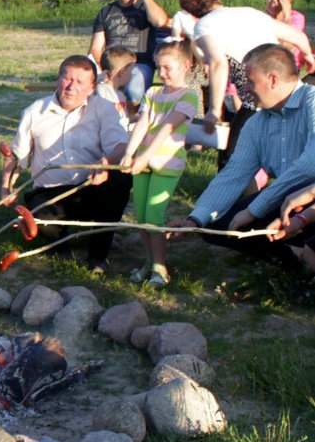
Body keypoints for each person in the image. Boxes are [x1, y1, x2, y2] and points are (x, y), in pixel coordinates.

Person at [170, 44, 315, 268]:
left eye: (249, 81)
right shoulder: (256, 122)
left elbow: (310, 164)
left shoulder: (312, 102)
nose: (243, 89)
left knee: (250, 219)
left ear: (273, 79)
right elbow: (234, 173)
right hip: (286, 199)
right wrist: (196, 219)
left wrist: (255, 209)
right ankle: (293, 258)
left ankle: (302, 257)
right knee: (215, 229)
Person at [1, 55, 130, 272]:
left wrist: (105, 164)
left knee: (120, 178)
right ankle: (60, 243)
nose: (71, 87)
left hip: (90, 186)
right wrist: (6, 187)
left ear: (91, 88)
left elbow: (120, 146)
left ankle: (98, 256)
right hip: (50, 193)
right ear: (58, 79)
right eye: (67, 79)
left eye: (80, 82)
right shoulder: (35, 112)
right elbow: (16, 156)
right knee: (42, 219)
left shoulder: (104, 108)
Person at [180, 0, 313, 168]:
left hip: (260, 95)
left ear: (190, 11)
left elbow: (218, 63)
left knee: (232, 161)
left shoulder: (204, 26)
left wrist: (215, 110)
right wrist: (309, 56)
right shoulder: (250, 12)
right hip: (287, 88)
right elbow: (298, 36)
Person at [120, 39, 200, 287]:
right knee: (142, 217)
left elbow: (168, 127)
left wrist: (145, 156)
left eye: (168, 67)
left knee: (154, 216)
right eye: (158, 67)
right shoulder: (153, 92)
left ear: (186, 65)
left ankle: (160, 267)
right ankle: (148, 261)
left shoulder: (189, 95)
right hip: (143, 162)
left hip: (166, 164)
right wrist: (130, 152)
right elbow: (143, 122)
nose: (161, 73)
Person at [88, 0, 169, 107]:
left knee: (134, 88)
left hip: (138, 64)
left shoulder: (147, 8)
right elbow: (95, 48)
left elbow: (161, 21)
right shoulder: (106, 12)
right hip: (110, 65)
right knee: (91, 87)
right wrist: (104, 70)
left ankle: (130, 122)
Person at [264, 0, 307, 66]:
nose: (273, 4)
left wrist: (286, 16)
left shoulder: (296, 18)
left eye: (278, 0)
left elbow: (286, 45)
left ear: (288, 0)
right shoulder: (262, 17)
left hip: (288, 66)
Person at [96, 45, 137, 130]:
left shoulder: (118, 94)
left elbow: (123, 118)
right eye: (131, 71)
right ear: (122, 72)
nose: (132, 74)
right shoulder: (102, 93)